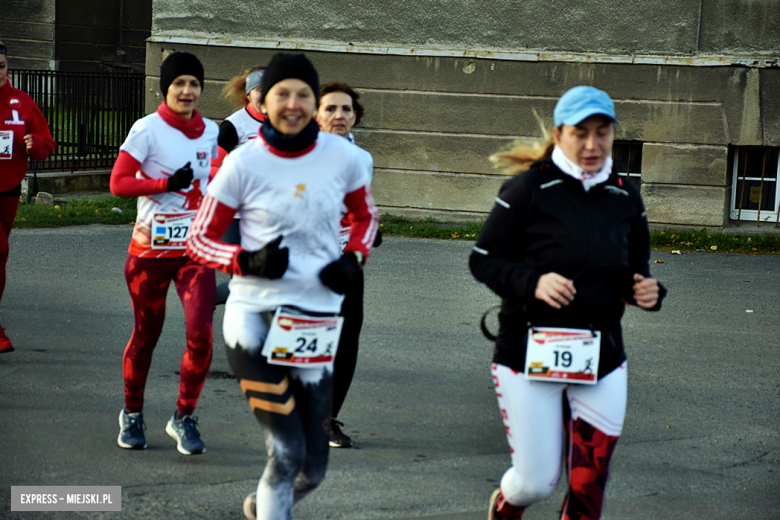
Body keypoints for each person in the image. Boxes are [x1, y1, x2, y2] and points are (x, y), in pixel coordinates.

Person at [186, 52, 378, 520]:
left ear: (313, 103)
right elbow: (198, 240)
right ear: (263, 102)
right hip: (253, 321)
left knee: (313, 469)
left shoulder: (346, 159)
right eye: (281, 94)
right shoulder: (243, 163)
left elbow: (366, 218)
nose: (292, 103)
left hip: (312, 321)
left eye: (302, 94)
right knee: (287, 452)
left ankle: (263, 506)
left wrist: (353, 258)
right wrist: (244, 259)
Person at [469, 86, 666, 520]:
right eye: (581, 133)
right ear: (559, 135)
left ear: (614, 135)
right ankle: (505, 505)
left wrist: (648, 291)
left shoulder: (625, 197)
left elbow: (637, 270)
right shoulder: (527, 189)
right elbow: (483, 260)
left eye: (603, 132)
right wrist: (533, 281)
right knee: (536, 481)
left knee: (588, 483)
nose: (592, 145)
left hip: (602, 356)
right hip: (527, 354)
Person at [109, 51, 219, 455]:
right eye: (179, 84)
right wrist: (164, 184)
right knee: (147, 334)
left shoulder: (211, 131)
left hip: (194, 252)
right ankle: (132, 414)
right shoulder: (146, 130)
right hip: (150, 252)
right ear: (166, 88)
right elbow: (118, 184)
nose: (187, 91)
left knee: (200, 333)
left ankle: (183, 417)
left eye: (194, 84)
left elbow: (220, 183)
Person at [314, 81, 378, 448]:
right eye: (331, 109)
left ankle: (327, 418)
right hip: (308, 265)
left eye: (346, 110)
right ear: (316, 115)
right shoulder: (303, 154)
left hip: (348, 261)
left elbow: (362, 209)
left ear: (356, 116)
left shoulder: (362, 159)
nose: (339, 116)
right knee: (310, 337)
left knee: (347, 338)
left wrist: (368, 233)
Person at [0, 40, 56, 353]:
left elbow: (47, 143)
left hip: (8, 189)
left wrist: (36, 144)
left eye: (2, 66)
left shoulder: (21, 102)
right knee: (0, 248)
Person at [212, 65, 267, 305]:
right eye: (259, 90)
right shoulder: (234, 125)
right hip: (235, 215)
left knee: (263, 277)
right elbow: (212, 167)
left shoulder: (284, 123)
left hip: (267, 215)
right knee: (244, 279)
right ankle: (202, 301)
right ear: (248, 94)